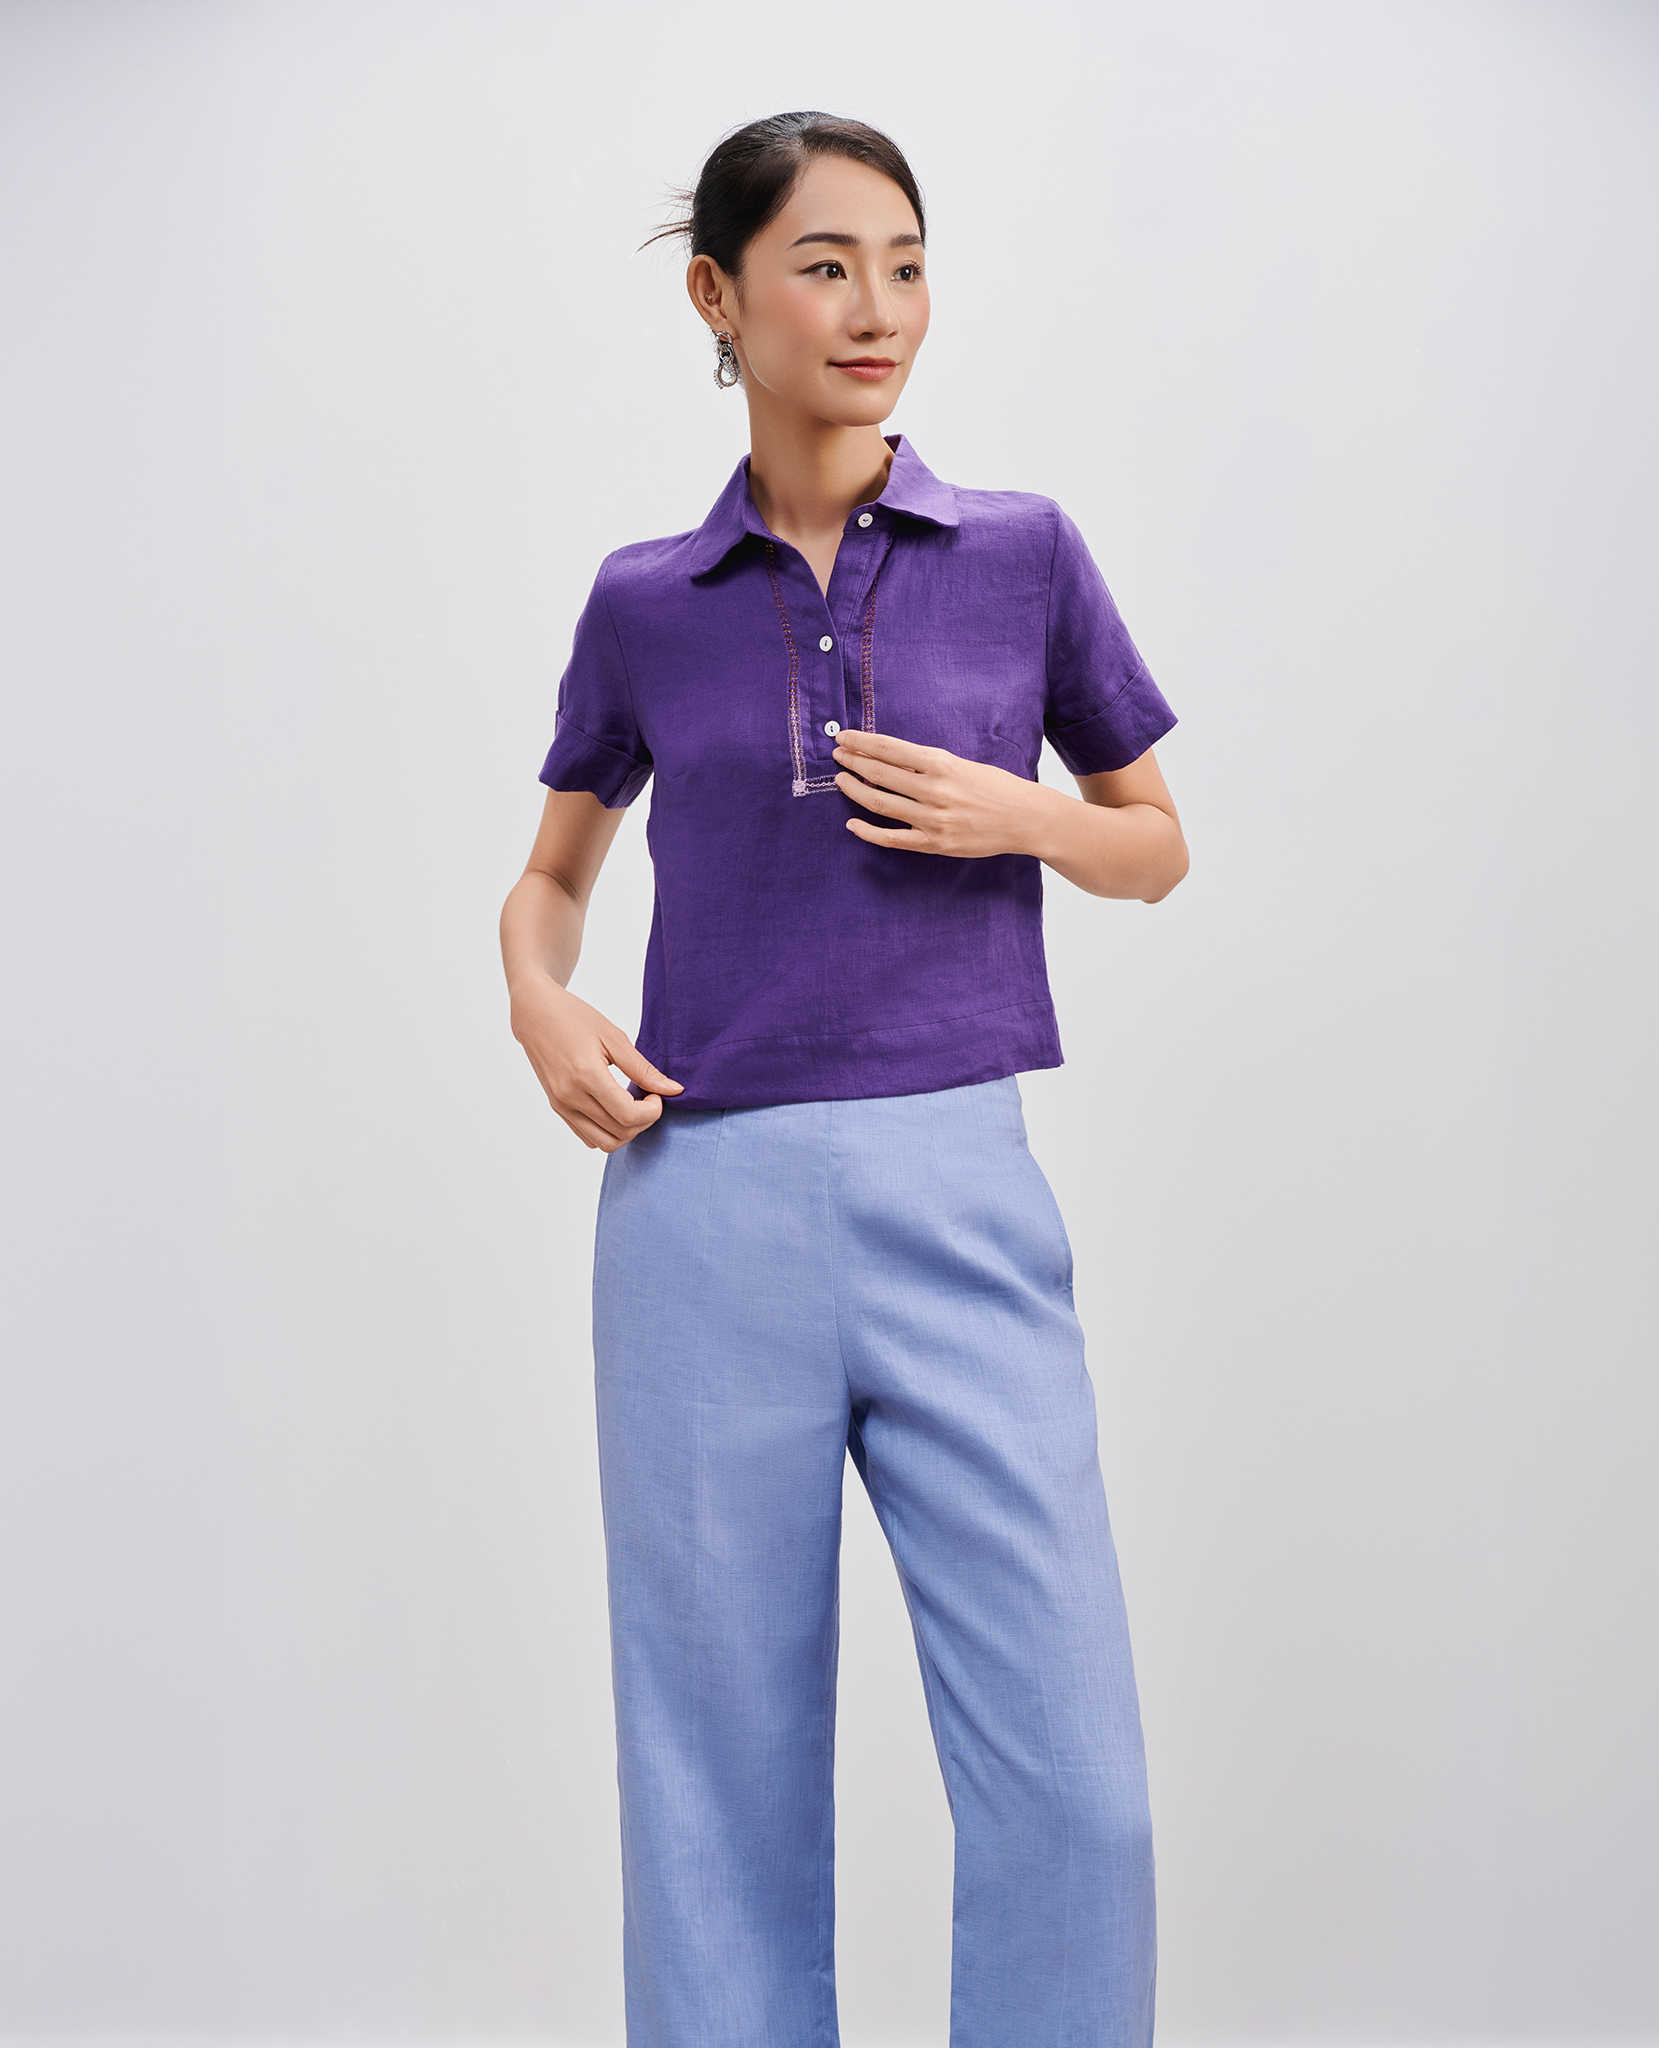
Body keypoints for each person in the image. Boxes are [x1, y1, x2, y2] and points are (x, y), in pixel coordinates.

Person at [499, 110, 1187, 2048]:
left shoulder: (1019, 554)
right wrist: (538, 999)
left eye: (904, 262)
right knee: (711, 1784)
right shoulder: (645, 599)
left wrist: (1016, 815)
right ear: (716, 298)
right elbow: (550, 878)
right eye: (824, 265)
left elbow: (1155, 843)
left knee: (1076, 1786)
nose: (877, 307)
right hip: (700, 1205)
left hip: (960, 1190)